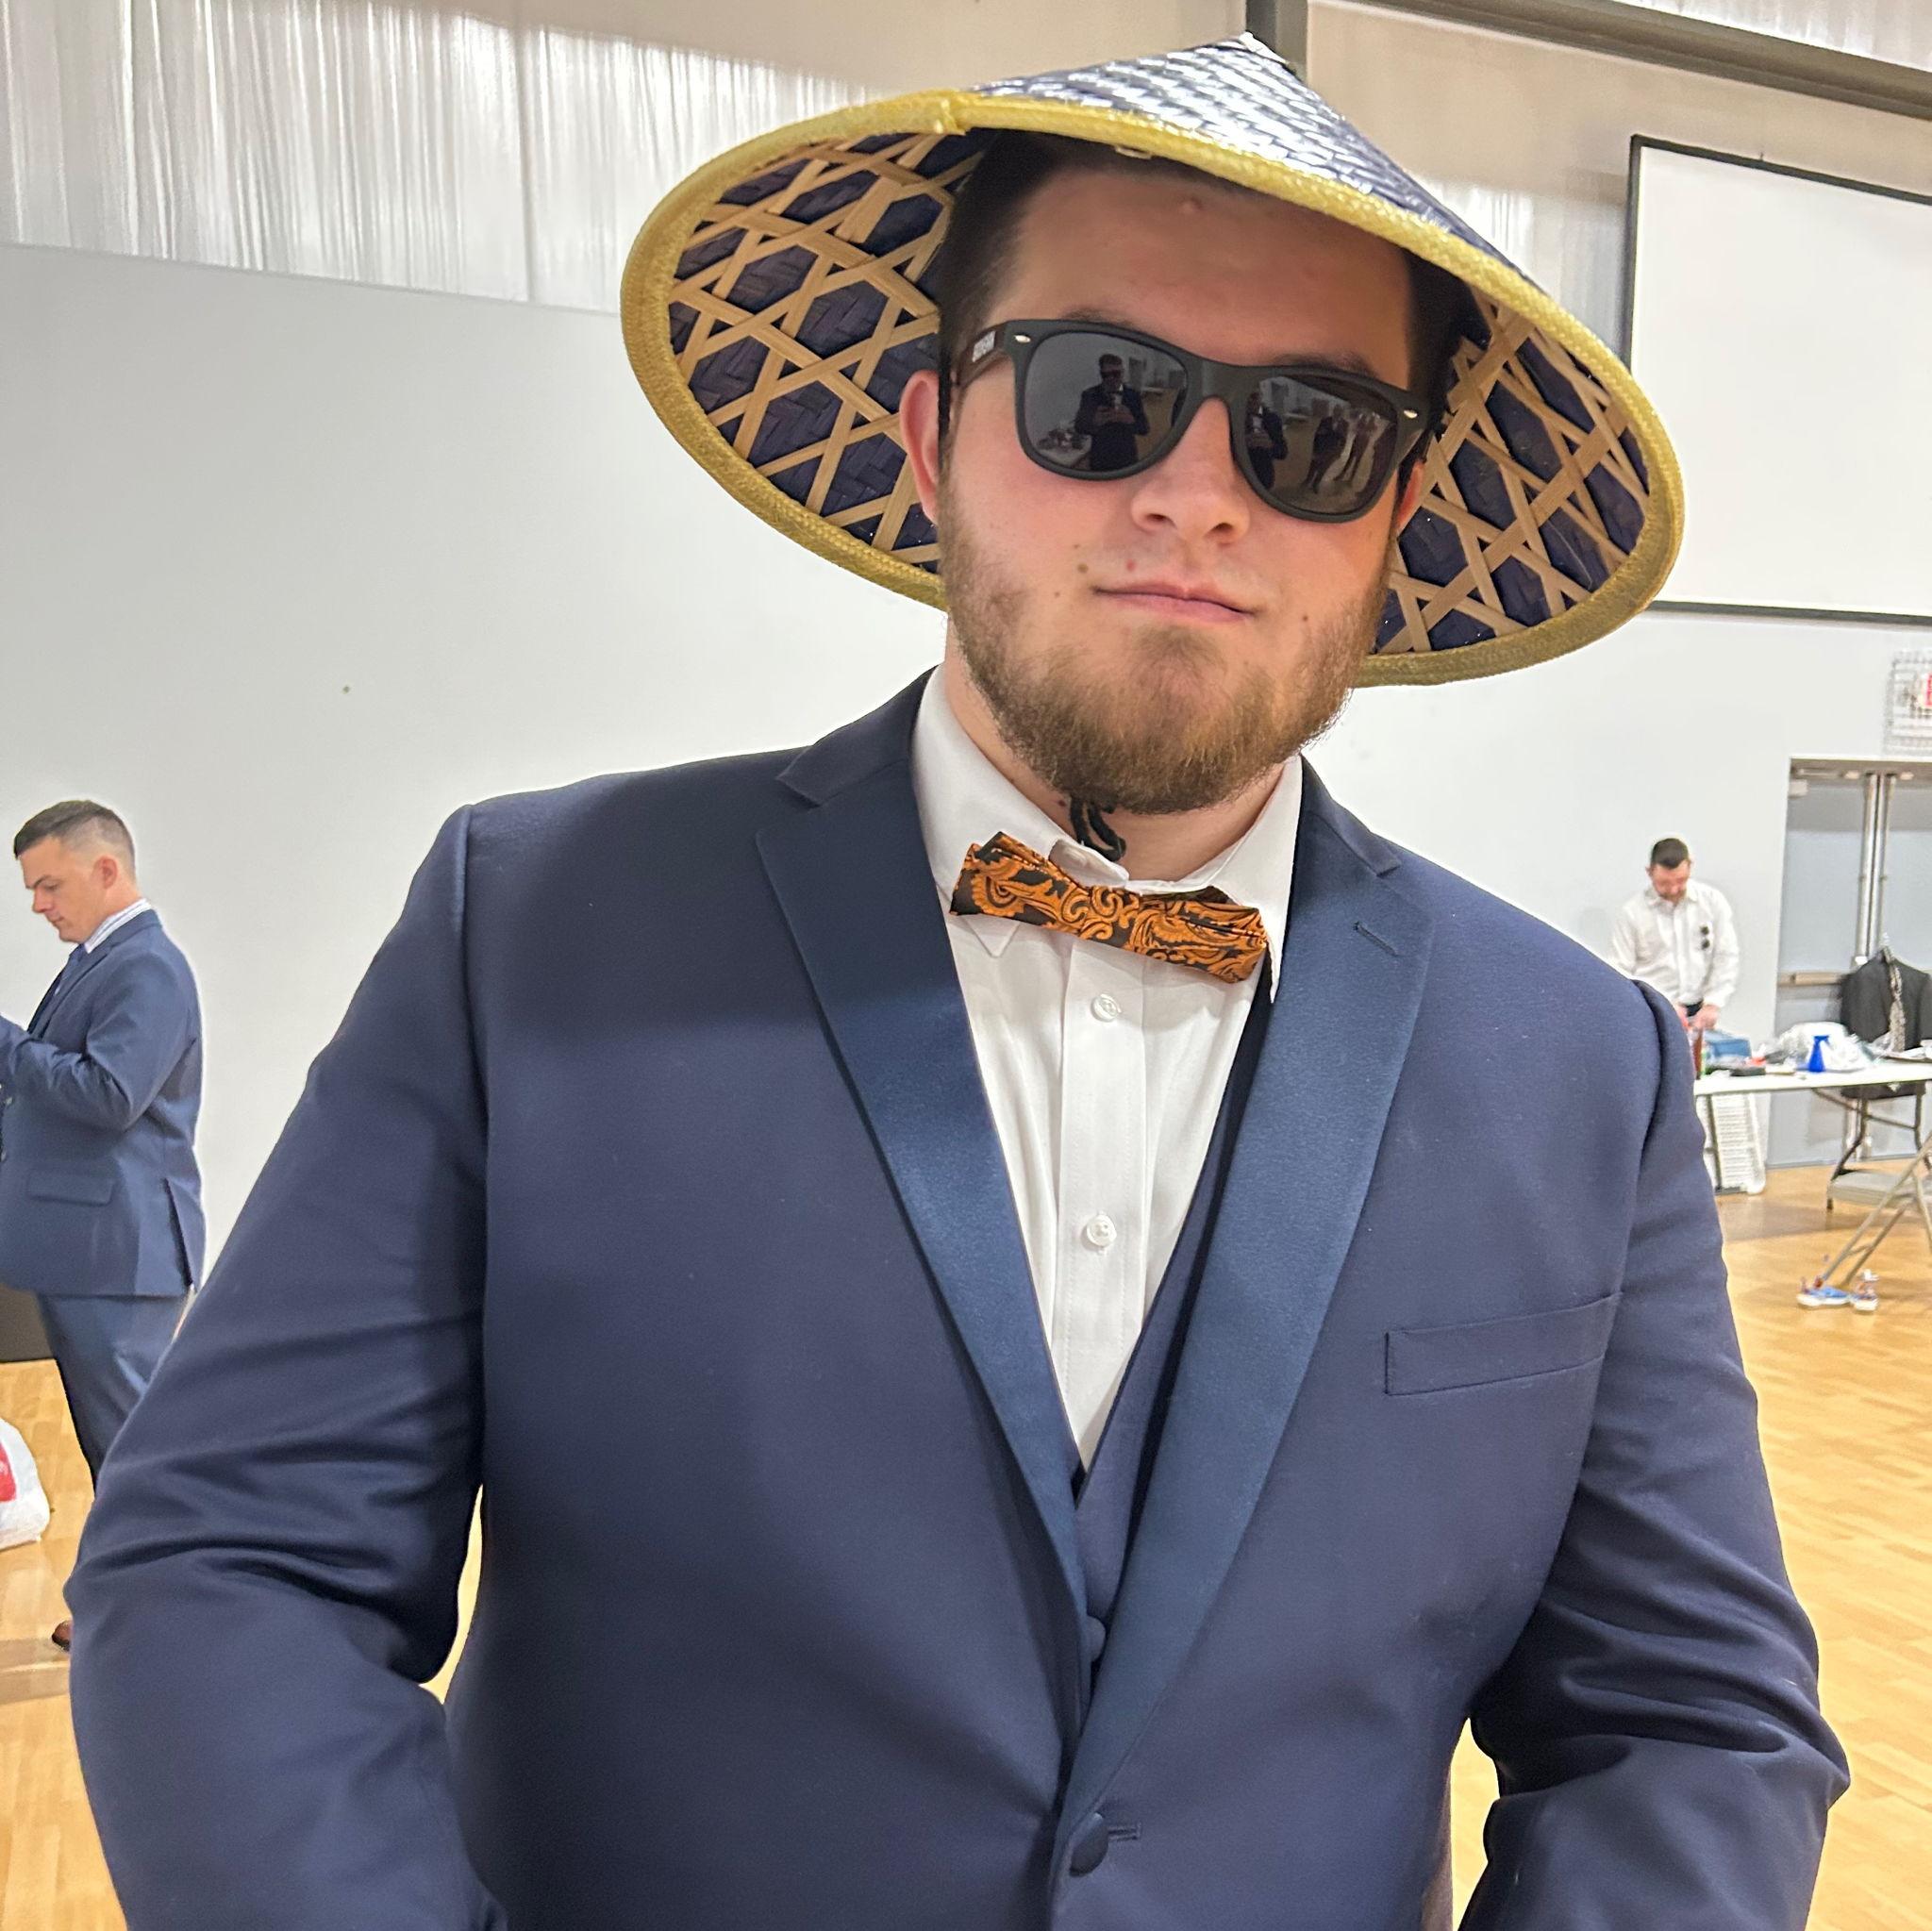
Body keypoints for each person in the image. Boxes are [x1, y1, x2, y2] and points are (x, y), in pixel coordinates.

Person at [69, 36, 1842, 1931]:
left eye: (1309, 433)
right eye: (1100, 396)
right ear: (929, 438)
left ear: (1393, 518)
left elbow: (1689, 1725)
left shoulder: (1574, 1065)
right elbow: (229, 1568)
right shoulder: (536, 931)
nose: (1196, 497)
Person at [0, 801, 202, 1653]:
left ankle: (170, 1618)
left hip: (117, 1253)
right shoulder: (101, 961)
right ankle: (131, 1610)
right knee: (113, 1448)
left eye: (49, 884)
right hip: (89, 1248)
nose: (38, 904)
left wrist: (5, 1045)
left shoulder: (146, 966)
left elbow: (110, 1094)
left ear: (106, 869)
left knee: (132, 1451)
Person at [1608, 836, 1740, 1032]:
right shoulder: (1633, 912)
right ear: (1649, 872)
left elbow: (1726, 955)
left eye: (1680, 880)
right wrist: (1663, 1004)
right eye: (1664, 883)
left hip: (1699, 1009)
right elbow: (1620, 971)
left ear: (1690, 866)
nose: (1673, 889)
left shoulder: (1712, 902)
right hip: (1652, 1011)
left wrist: (1714, 1002)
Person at [1074, 352, 1150, 472]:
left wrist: (1130, 420)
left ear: (1122, 372)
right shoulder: (1090, 395)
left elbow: (1144, 429)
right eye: (1106, 375)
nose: (1111, 378)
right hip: (1100, 459)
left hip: (1127, 458)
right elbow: (1079, 427)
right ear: (1101, 373)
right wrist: (1094, 422)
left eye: (1116, 374)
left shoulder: (1133, 395)